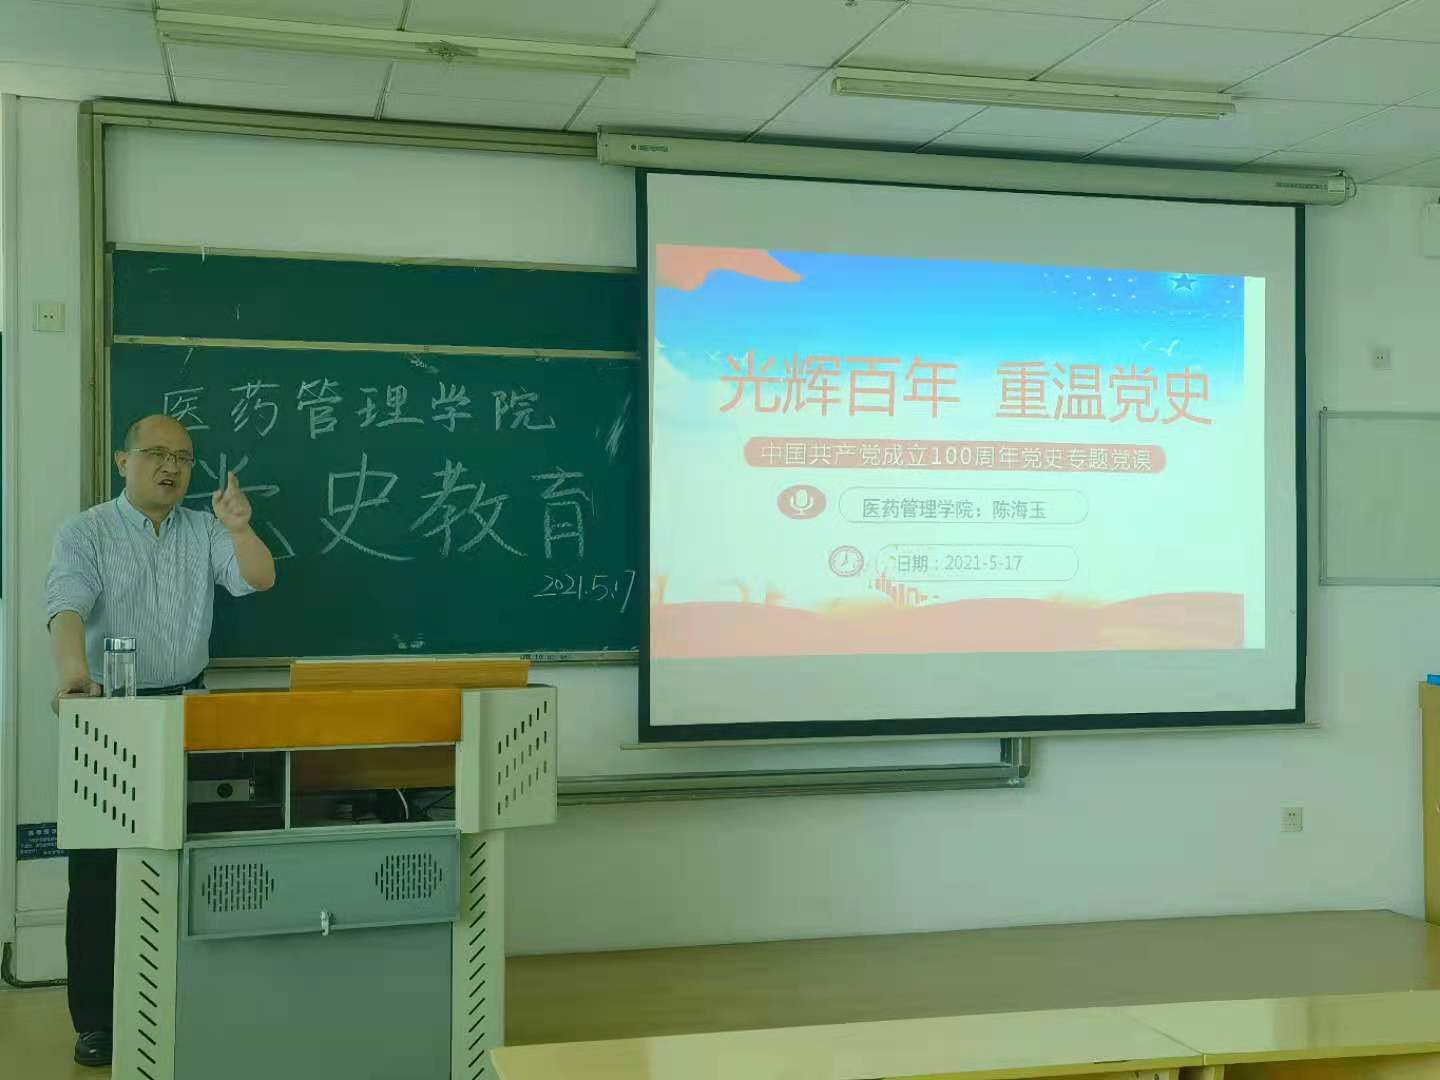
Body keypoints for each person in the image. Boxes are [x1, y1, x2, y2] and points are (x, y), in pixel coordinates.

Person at [45, 414, 276, 1067]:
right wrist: (73, 676)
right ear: (124, 462)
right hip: (110, 712)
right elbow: (64, 607)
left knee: (190, 860)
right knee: (100, 873)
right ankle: (98, 1021)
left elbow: (259, 579)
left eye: (183, 457)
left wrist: (240, 528)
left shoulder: (205, 529)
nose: (171, 467)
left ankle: (189, 999)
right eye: (155, 454)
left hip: (186, 707)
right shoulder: (86, 530)